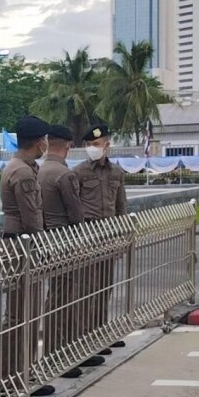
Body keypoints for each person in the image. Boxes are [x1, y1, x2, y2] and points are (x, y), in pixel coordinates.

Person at [0, 116, 50, 397]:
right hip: (22, 247)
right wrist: (43, 246)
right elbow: (32, 217)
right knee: (20, 317)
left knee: (23, 316)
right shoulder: (24, 173)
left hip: (19, 244)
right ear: (41, 142)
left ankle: (21, 375)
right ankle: (9, 380)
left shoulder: (19, 166)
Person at [71, 117, 127, 362]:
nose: (93, 147)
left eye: (97, 143)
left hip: (110, 233)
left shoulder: (116, 172)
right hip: (88, 235)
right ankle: (86, 337)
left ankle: (100, 332)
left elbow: (121, 205)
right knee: (88, 289)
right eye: (89, 143)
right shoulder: (79, 172)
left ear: (107, 144)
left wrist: (123, 234)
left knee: (105, 287)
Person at [37, 123, 87, 373]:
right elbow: (76, 213)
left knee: (54, 298)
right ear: (68, 146)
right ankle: (59, 353)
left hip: (45, 239)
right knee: (64, 300)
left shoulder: (40, 170)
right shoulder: (64, 175)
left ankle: (53, 351)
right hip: (64, 240)